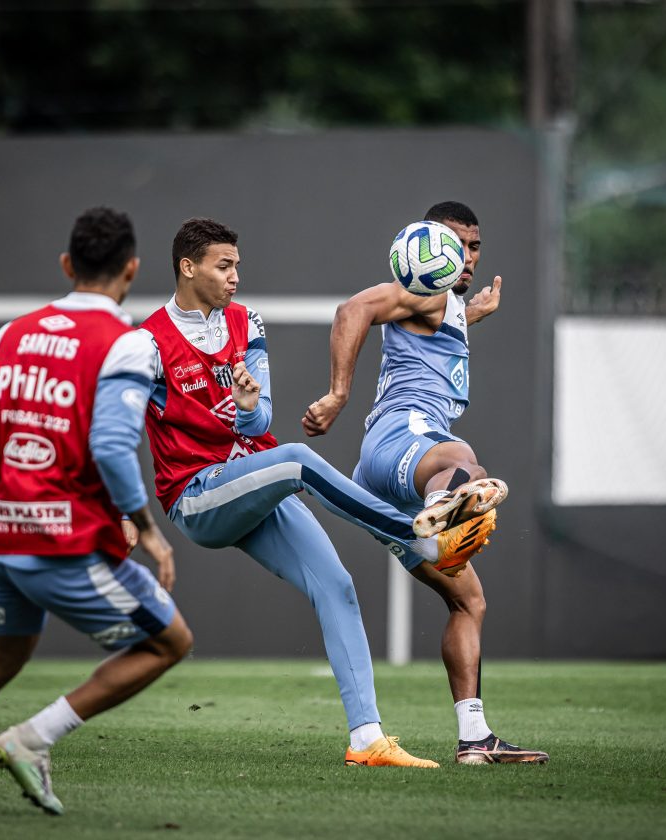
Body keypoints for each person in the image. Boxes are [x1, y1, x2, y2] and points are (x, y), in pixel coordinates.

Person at [135, 217, 489, 769]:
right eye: (223, 266)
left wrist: (250, 406)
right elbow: (112, 428)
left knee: (338, 586)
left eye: (237, 266)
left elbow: (260, 424)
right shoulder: (147, 342)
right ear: (188, 266)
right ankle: (419, 536)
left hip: (252, 480)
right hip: (197, 494)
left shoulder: (245, 321)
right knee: (298, 461)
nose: (234, 276)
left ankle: (367, 740)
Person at [0, 207, 193, 816]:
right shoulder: (127, 343)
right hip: (65, 543)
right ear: (131, 270)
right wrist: (149, 530)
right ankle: (33, 738)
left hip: (0, 535)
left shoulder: (11, 335)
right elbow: (108, 444)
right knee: (170, 641)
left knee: (3, 655)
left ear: (67, 265)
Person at [302, 201, 549, 765]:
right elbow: (351, 309)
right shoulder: (426, 291)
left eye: (476, 246)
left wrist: (473, 313)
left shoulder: (448, 305)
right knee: (466, 461)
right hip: (403, 442)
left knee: (470, 602)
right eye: (456, 244)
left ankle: (474, 739)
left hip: (384, 476)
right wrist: (338, 393)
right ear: (428, 248)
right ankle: (444, 511)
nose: (467, 256)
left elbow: (431, 337)